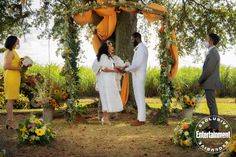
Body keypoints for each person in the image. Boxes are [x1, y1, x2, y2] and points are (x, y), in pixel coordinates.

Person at [92, 41, 123, 125]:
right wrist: (115, 70)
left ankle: (105, 118)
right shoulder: (103, 56)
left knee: (108, 99)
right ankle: (105, 118)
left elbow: (109, 67)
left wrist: (118, 68)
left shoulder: (108, 57)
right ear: (106, 47)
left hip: (109, 80)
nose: (112, 47)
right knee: (106, 99)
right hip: (105, 81)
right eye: (111, 46)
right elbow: (104, 69)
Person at [198, 33, 222, 132]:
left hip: (210, 83)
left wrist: (200, 80)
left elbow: (208, 70)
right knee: (211, 105)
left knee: (212, 105)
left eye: (207, 39)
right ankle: (212, 126)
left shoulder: (213, 53)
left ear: (211, 41)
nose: (206, 41)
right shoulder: (212, 52)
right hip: (209, 82)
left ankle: (214, 127)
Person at [124, 32, 148, 126]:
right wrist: (128, 65)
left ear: (137, 39)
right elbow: (135, 64)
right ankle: (140, 118)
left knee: (140, 97)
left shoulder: (141, 49)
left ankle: (141, 120)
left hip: (139, 76)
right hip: (136, 75)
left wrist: (126, 69)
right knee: (138, 98)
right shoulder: (139, 49)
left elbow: (137, 65)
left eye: (132, 39)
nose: (131, 41)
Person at [3, 36, 22, 129]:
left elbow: (15, 63)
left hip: (15, 77)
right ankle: (11, 122)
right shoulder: (9, 52)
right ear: (13, 42)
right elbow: (6, 66)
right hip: (11, 77)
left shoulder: (14, 51)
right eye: (17, 42)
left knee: (12, 99)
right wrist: (19, 68)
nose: (18, 44)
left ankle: (9, 121)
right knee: (10, 100)